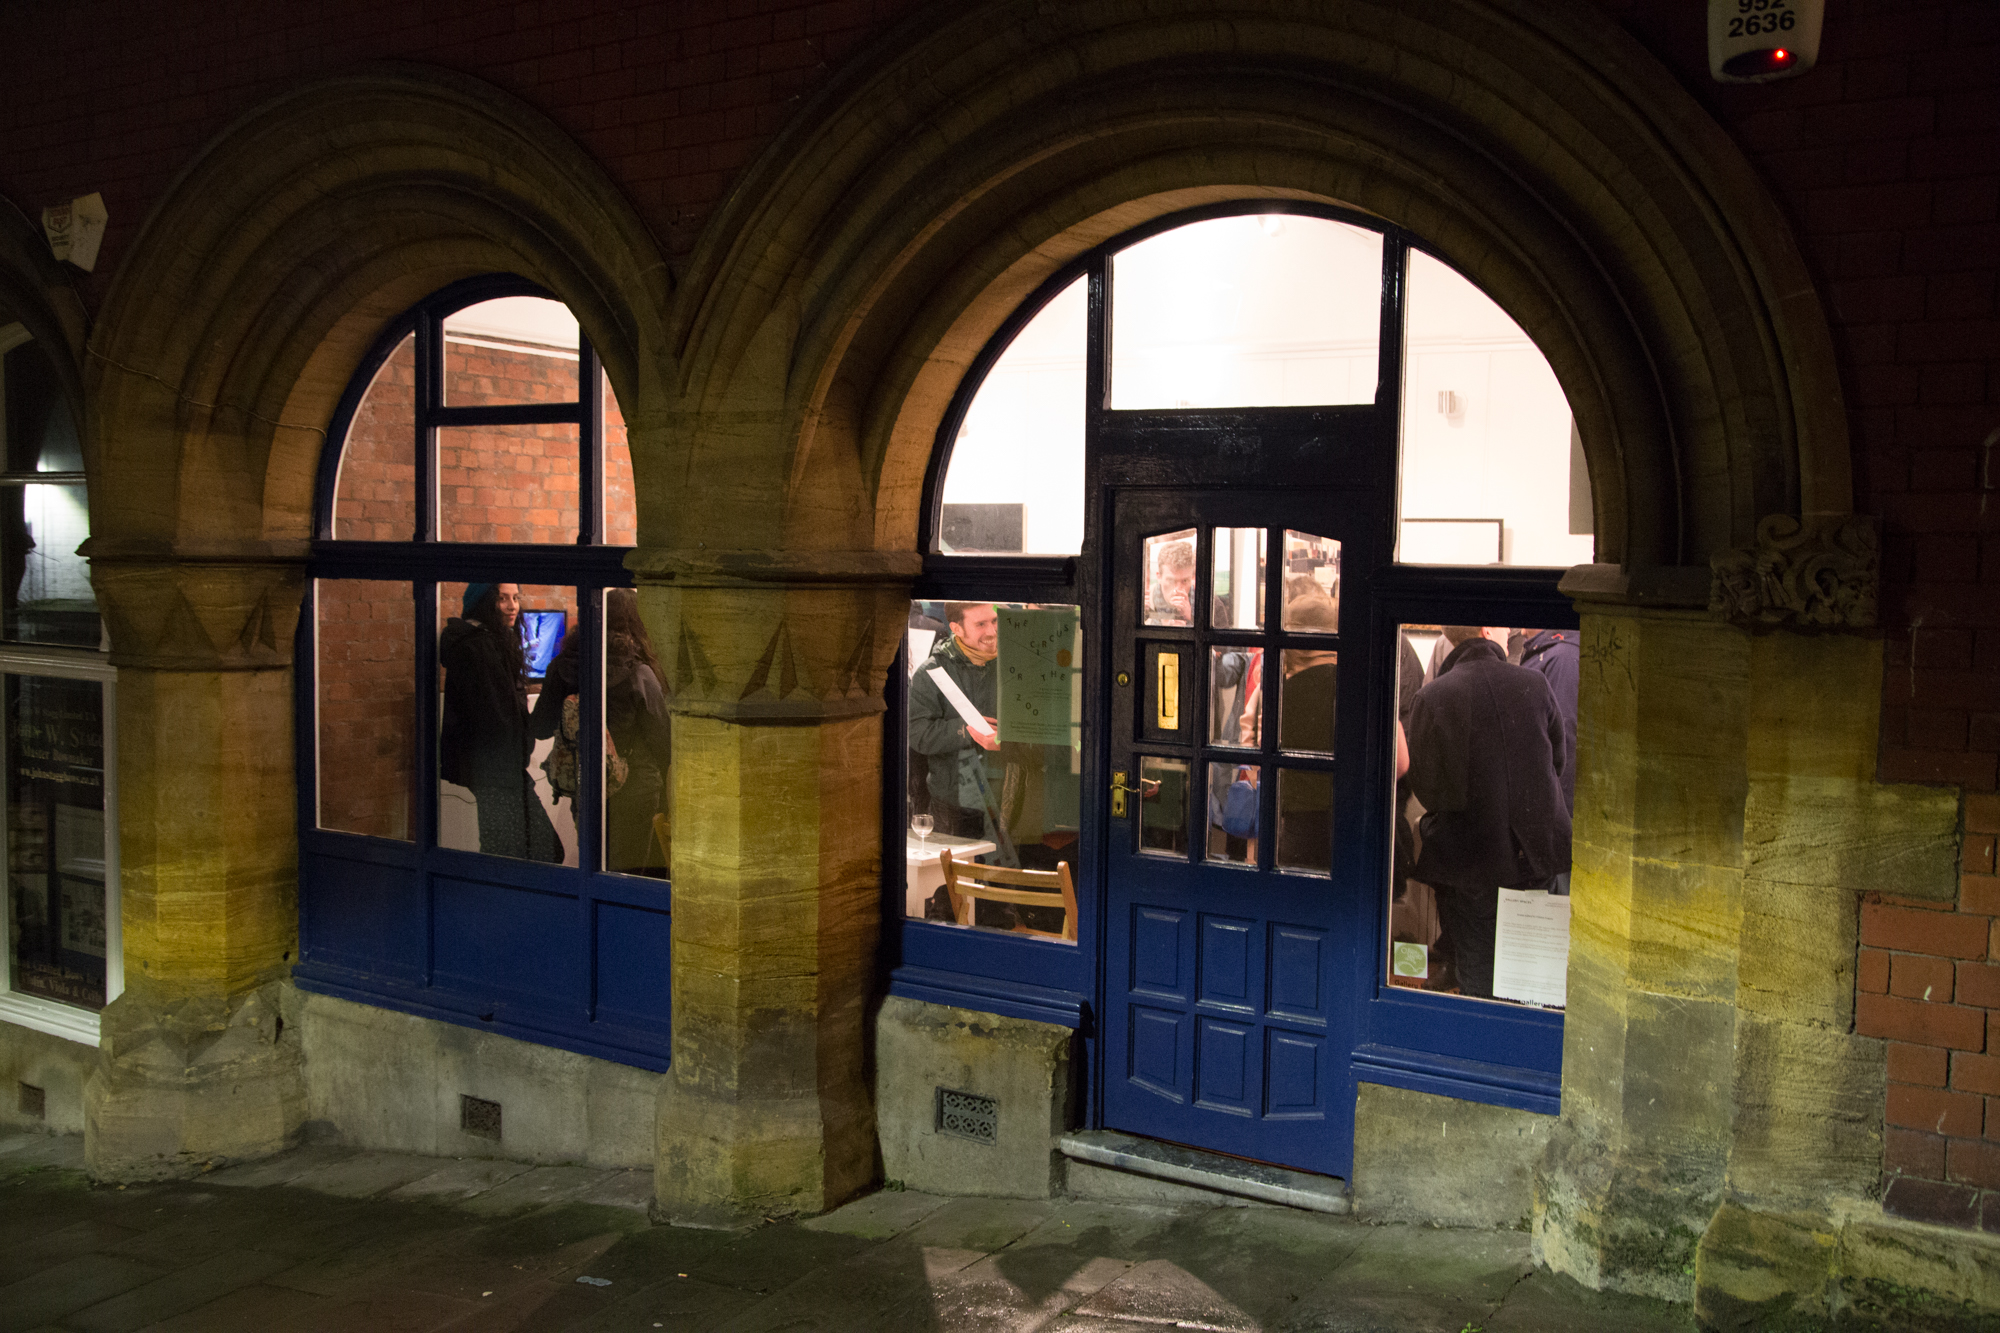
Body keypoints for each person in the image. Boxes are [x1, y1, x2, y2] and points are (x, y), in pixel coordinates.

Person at [1404, 624, 1569, 998]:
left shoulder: (1433, 696)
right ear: (1487, 632)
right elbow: (1557, 762)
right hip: (1534, 854)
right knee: (1532, 973)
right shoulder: (1534, 684)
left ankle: (1479, 1043)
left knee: (1477, 964)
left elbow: (1427, 786)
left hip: (1470, 855)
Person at [531, 588, 671, 876]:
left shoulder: (563, 667)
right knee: (630, 875)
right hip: (636, 786)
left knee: (592, 869)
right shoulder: (640, 674)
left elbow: (540, 727)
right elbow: (664, 743)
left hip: (585, 782)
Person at [440, 582, 563, 863]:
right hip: (497, 771)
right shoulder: (479, 645)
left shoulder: (489, 641)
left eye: (516, 598)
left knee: (521, 851)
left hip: (500, 770)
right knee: (510, 855)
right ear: (485, 602)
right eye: (503, 599)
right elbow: (495, 715)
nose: (513, 606)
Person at [907, 601, 1003, 844]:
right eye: (980, 624)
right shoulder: (931, 672)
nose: (991, 631)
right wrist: (966, 729)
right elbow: (917, 734)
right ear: (956, 628)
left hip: (1007, 796)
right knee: (952, 880)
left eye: (994, 621)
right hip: (951, 800)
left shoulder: (1014, 667)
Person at [1146, 539, 1197, 625]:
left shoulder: (1209, 603)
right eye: (1171, 580)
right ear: (1159, 577)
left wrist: (1191, 618)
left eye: (1185, 581)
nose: (1177, 589)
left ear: (1192, 578)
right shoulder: (1146, 600)